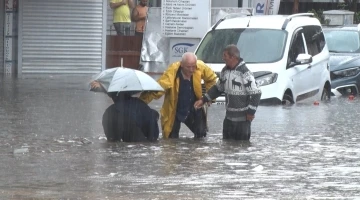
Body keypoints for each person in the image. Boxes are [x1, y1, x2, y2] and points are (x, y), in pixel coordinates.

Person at [139, 52, 217, 139]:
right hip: (175, 110)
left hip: (194, 108)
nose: (191, 70)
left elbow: (212, 80)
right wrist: (140, 102)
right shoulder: (172, 71)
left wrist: (207, 97)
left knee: (201, 137)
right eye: (188, 67)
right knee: (171, 140)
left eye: (193, 66)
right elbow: (158, 89)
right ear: (182, 64)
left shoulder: (201, 67)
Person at [194, 44, 262, 141]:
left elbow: (256, 94)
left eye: (225, 56)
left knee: (242, 149)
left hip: (242, 121)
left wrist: (251, 112)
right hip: (228, 119)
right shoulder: (224, 71)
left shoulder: (245, 73)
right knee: (226, 148)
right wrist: (204, 99)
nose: (223, 58)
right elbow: (218, 88)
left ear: (233, 57)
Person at [91, 81, 159, 142]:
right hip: (146, 147)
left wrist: (104, 87)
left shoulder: (111, 112)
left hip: (131, 146)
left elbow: (112, 141)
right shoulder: (143, 106)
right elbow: (154, 136)